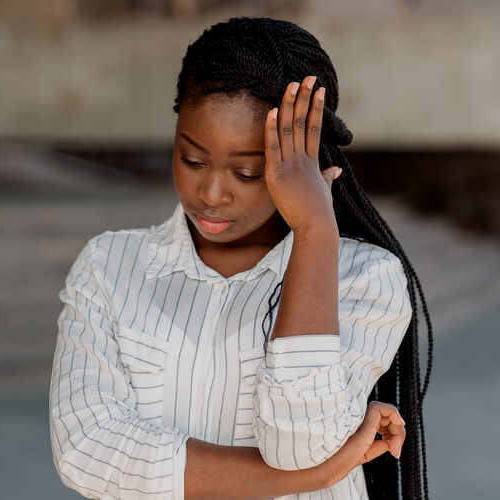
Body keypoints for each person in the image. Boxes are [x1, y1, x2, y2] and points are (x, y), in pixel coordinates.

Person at [50, 17, 432, 499]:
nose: (210, 193)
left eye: (248, 172)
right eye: (192, 160)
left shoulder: (365, 279)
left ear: (305, 160)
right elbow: (86, 450)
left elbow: (303, 445)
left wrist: (315, 233)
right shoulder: (108, 266)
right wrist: (312, 479)